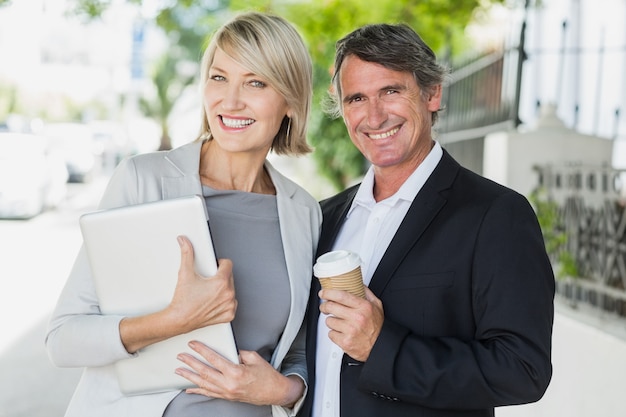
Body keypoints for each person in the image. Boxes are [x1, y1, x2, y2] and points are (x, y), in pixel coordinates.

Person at [46, 12, 321, 417]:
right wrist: (174, 320)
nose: (230, 101)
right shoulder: (143, 180)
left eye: (256, 82)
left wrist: (285, 389)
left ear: (291, 103)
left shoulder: (304, 212)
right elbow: (63, 338)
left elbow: (298, 348)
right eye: (219, 77)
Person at [300, 23, 555, 417]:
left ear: (432, 93)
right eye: (356, 99)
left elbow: (522, 370)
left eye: (391, 91)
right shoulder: (324, 216)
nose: (374, 115)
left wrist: (383, 348)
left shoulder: (496, 215)